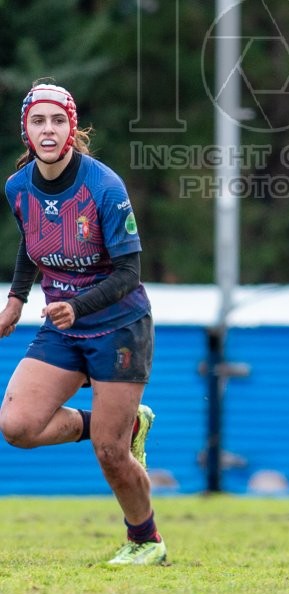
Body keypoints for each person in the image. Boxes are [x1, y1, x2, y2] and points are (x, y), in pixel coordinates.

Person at [0, 82, 165, 565]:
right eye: (38, 121)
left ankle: (146, 541)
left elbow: (130, 273)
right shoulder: (17, 187)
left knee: (112, 455)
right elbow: (32, 243)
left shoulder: (104, 186)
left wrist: (79, 305)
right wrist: (15, 299)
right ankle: (119, 425)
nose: (47, 130)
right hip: (63, 327)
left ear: (72, 128)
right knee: (16, 425)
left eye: (57, 121)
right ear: (25, 130)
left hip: (119, 327)